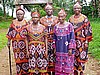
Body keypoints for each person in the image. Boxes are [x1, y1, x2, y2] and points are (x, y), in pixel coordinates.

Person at [69, 2, 92, 75]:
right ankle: (75, 71)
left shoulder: (84, 18)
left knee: (81, 56)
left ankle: (81, 71)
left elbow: (88, 29)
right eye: (75, 8)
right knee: (74, 56)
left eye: (78, 8)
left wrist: (86, 41)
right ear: (73, 9)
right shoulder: (70, 18)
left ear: (81, 9)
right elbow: (68, 29)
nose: (77, 9)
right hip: (73, 41)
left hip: (82, 41)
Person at [6, 8, 29, 75]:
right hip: (16, 45)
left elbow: (29, 34)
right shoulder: (13, 23)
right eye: (18, 14)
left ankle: (25, 72)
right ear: (16, 15)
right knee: (18, 59)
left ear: (23, 15)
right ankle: (19, 72)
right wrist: (8, 41)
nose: (19, 15)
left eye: (21, 14)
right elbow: (10, 33)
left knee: (25, 60)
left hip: (25, 45)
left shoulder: (26, 23)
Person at [54, 9, 76, 75]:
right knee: (59, 64)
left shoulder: (69, 26)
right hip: (59, 49)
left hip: (66, 49)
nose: (60, 18)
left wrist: (70, 48)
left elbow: (72, 37)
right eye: (59, 16)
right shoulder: (56, 26)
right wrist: (54, 48)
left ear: (65, 16)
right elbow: (54, 38)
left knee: (67, 64)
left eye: (62, 16)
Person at [40, 3, 58, 75]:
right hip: (45, 41)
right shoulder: (42, 19)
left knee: (54, 56)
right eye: (47, 9)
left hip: (55, 40)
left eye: (50, 9)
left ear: (52, 10)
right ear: (45, 10)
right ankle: (47, 72)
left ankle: (54, 72)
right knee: (46, 56)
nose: (49, 11)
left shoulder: (57, 19)